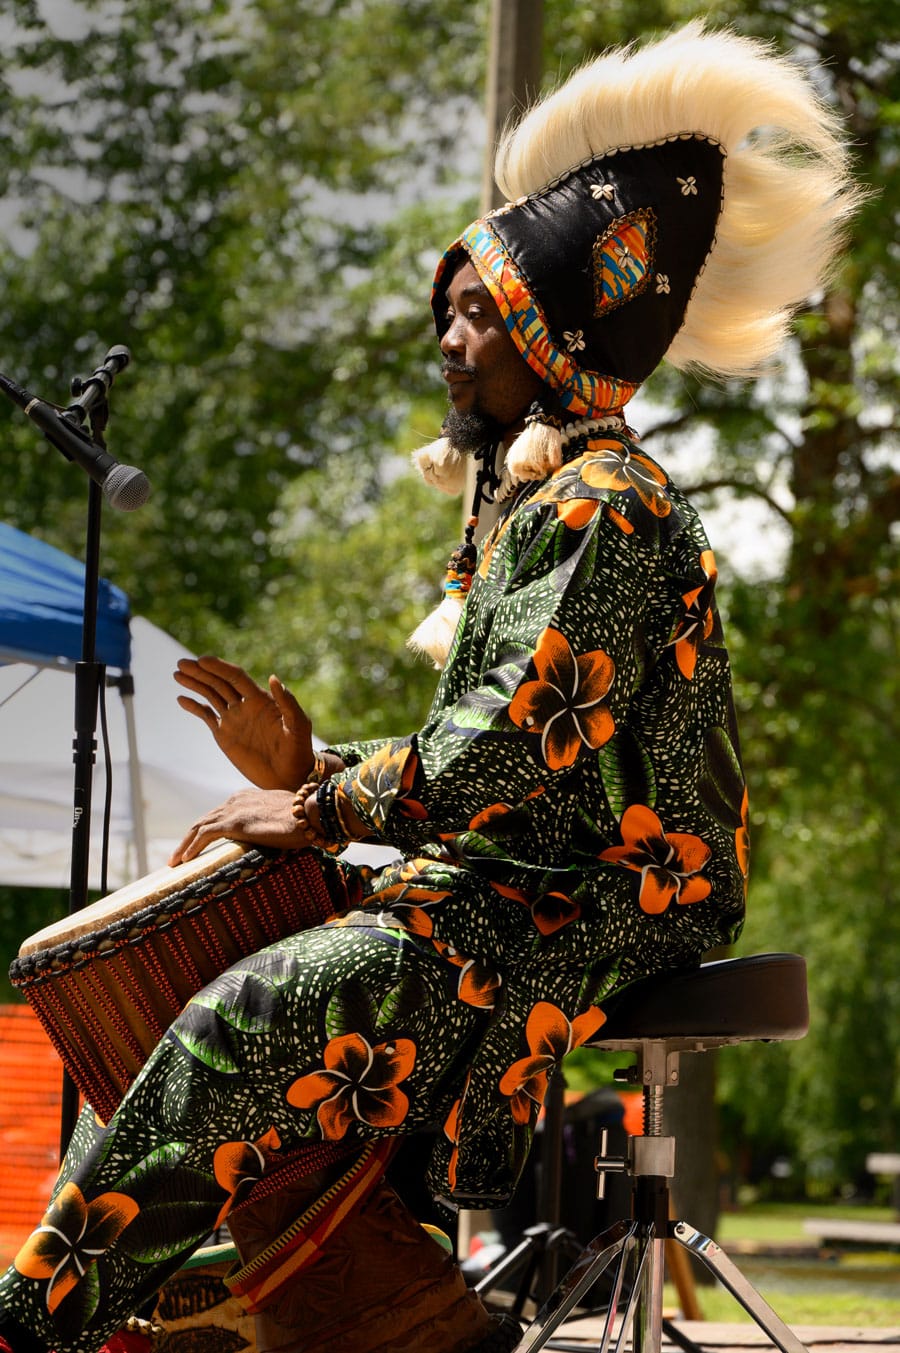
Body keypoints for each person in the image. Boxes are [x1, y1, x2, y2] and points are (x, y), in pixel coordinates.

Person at [0, 20, 859, 1353]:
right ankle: (295, 1293)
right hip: (525, 875)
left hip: (624, 894)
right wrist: (311, 770)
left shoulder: (607, 514)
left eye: (480, 313)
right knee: (233, 986)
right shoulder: (534, 503)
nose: (448, 339)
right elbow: (485, 757)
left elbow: (497, 760)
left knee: (267, 1006)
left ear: (556, 337)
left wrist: (318, 803)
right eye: (449, 310)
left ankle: (43, 1319)